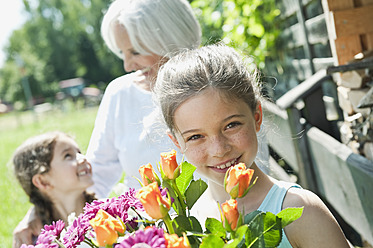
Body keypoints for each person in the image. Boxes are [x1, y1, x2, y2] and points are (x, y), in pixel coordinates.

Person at [153, 44, 352, 247]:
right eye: (196, 137)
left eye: (231, 125)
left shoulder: (302, 211)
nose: (219, 149)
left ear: (257, 117)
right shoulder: (188, 223)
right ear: (177, 143)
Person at [12, 131, 96, 246]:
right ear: (42, 181)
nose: (83, 158)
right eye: (68, 156)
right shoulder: (37, 243)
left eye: (79, 152)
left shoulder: (108, 218)